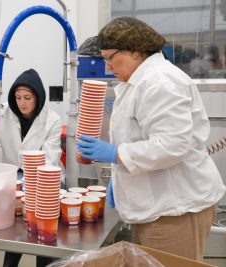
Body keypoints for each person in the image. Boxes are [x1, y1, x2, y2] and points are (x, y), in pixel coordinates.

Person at [76, 17, 225, 261]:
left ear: (134, 50)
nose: (107, 66)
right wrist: (119, 175)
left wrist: (115, 154)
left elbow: (172, 145)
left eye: (110, 57)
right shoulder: (139, 81)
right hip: (157, 206)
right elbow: (143, 137)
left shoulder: (160, 81)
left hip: (177, 209)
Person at [0, 69, 62, 267]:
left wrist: (28, 181)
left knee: (43, 233)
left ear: (38, 97)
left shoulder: (52, 120)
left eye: (27, 98)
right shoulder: (1, 113)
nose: (22, 102)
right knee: (14, 234)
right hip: (11, 181)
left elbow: (51, 160)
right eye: (18, 97)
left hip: (43, 182)